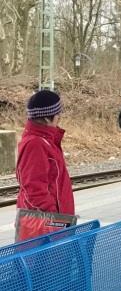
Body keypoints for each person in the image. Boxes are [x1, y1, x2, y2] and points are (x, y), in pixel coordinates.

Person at [16, 90, 74, 219]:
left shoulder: (48, 141)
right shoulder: (35, 144)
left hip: (54, 220)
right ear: (47, 118)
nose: (59, 118)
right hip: (43, 224)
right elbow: (34, 190)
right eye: (58, 115)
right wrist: (54, 218)